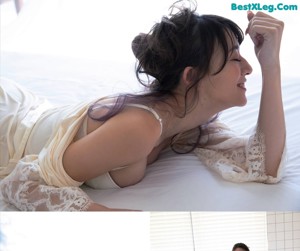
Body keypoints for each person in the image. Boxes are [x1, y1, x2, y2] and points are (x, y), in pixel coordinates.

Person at [0, 1, 285, 211]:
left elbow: (263, 166)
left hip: (29, 111)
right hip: (9, 129)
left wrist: (271, 65)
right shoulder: (141, 127)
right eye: (236, 59)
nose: (248, 68)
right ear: (191, 76)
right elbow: (22, 183)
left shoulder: (187, 122)